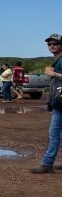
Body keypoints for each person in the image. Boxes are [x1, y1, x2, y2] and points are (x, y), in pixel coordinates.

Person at [31, 34, 62, 174]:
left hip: (61, 104)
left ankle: (47, 163)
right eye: (49, 44)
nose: (51, 46)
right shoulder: (57, 60)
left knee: (54, 134)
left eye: (55, 43)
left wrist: (53, 73)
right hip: (59, 102)